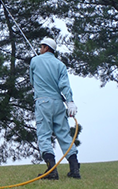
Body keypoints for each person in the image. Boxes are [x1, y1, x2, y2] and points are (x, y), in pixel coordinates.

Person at [29, 38, 81, 180]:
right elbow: (65, 85)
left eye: (41, 46)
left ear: (46, 48)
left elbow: (32, 82)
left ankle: (51, 170)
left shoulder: (35, 61)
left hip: (43, 102)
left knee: (44, 134)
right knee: (64, 135)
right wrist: (70, 102)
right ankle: (74, 169)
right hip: (59, 103)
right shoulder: (60, 65)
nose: (40, 49)